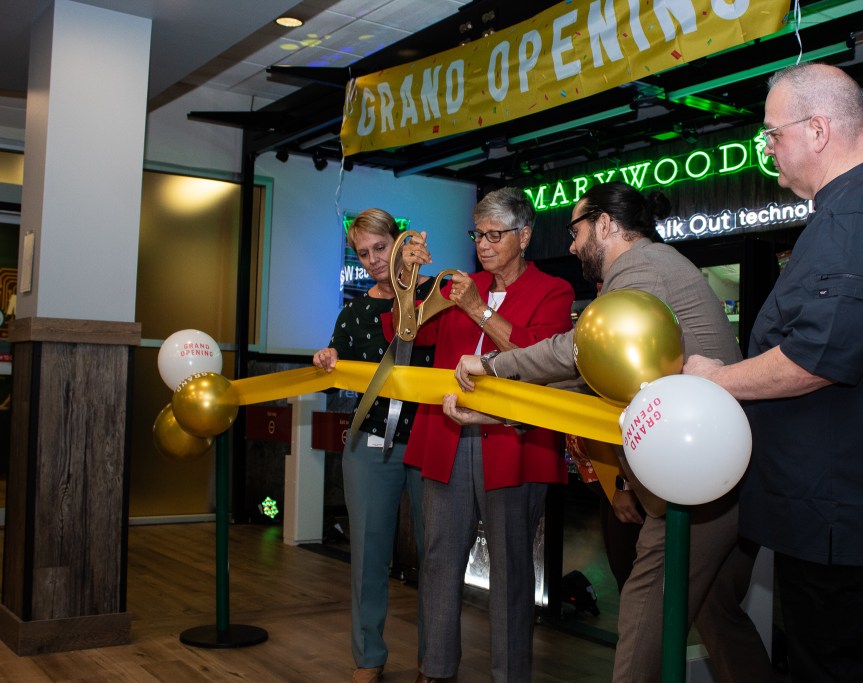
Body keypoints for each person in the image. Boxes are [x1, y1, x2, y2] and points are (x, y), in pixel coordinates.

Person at [684, 63, 863, 682]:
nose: (768, 151)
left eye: (773, 135)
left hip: (854, 525)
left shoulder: (859, 214)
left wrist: (712, 380)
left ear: (817, 129)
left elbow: (815, 358)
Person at [449, 181, 774, 683]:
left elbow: (575, 353)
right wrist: (499, 416)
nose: (573, 245)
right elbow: (595, 384)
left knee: (644, 622)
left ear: (604, 224)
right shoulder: (652, 269)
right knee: (716, 615)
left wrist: (493, 366)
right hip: (719, 473)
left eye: (576, 230)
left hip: (698, 481)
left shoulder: (640, 270)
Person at [395, 187, 575, 683]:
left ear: (525, 236)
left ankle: (510, 675)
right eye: (478, 234)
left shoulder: (552, 290)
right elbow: (407, 333)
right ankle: (435, 670)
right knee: (438, 559)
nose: (484, 244)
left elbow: (542, 358)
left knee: (513, 570)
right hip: (449, 435)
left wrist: (478, 309)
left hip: (512, 442)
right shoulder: (458, 285)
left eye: (495, 234)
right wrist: (406, 279)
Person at [312, 208, 433, 683]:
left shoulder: (436, 298)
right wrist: (327, 358)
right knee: (367, 557)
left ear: (401, 243)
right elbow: (335, 359)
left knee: (437, 558)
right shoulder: (355, 310)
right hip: (369, 443)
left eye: (379, 248)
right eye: (362, 254)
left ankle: (435, 660)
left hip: (431, 442)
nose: (372, 260)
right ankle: (368, 659)